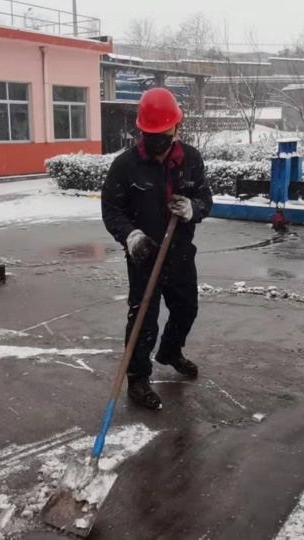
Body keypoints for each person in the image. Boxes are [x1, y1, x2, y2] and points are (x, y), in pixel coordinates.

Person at [101, 88, 213, 410]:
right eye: (153, 135)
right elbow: (112, 210)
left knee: (186, 309)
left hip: (179, 253)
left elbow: (207, 199)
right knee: (142, 320)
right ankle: (137, 378)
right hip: (144, 256)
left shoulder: (190, 160)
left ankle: (170, 351)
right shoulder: (125, 166)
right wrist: (131, 236)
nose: (160, 141)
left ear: (177, 128)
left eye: (165, 134)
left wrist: (193, 207)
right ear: (142, 131)